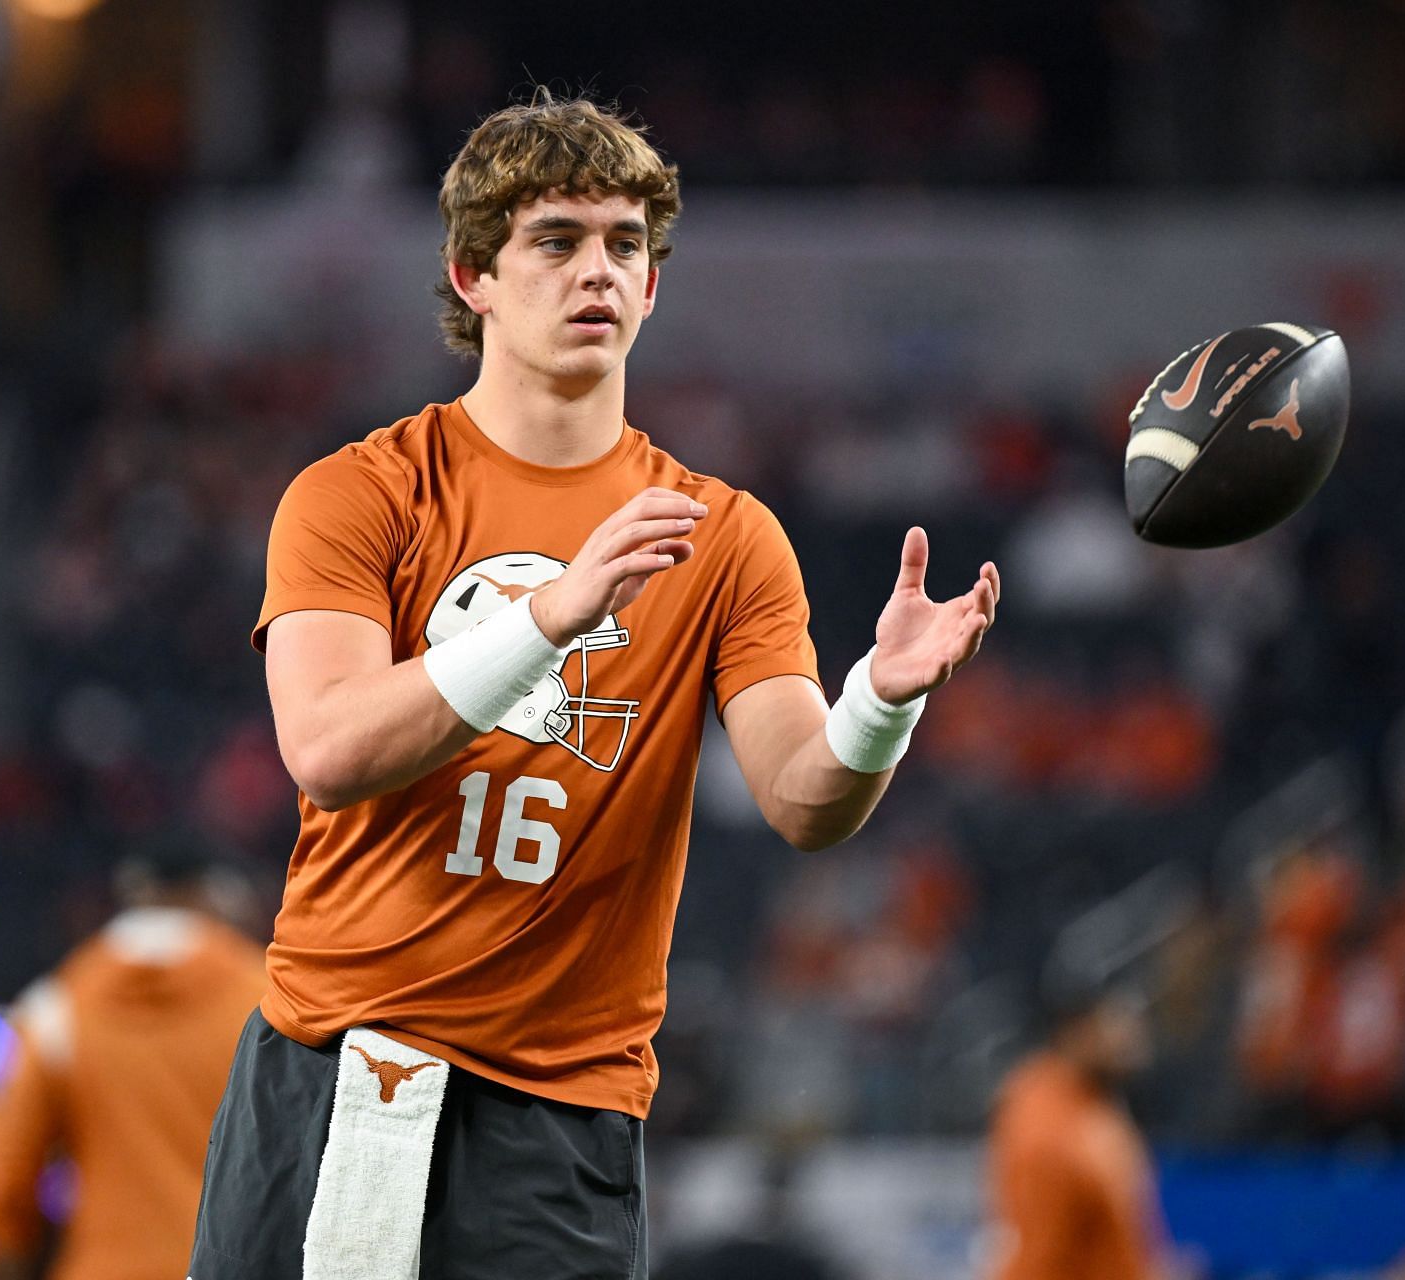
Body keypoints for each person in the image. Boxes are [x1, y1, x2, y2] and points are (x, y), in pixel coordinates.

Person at [189, 91, 1000, 1279]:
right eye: (556, 241)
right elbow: (328, 745)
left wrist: (883, 696)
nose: (598, 272)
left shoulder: (724, 536)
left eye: (627, 245)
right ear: (474, 275)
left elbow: (802, 799)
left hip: (558, 1112)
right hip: (332, 1068)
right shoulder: (359, 494)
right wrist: (553, 613)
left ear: (655, 285)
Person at [0, 837, 268, 1280]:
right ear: (213, 893)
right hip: (231, 1265)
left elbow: (7, 1173)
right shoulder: (267, 996)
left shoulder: (58, 1006)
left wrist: (10, 1251)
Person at [985, 976, 1165, 1280]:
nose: (1133, 1032)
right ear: (1079, 1030)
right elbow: (1040, 1254)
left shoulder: (1095, 1103)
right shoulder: (1044, 1117)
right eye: (1119, 1018)